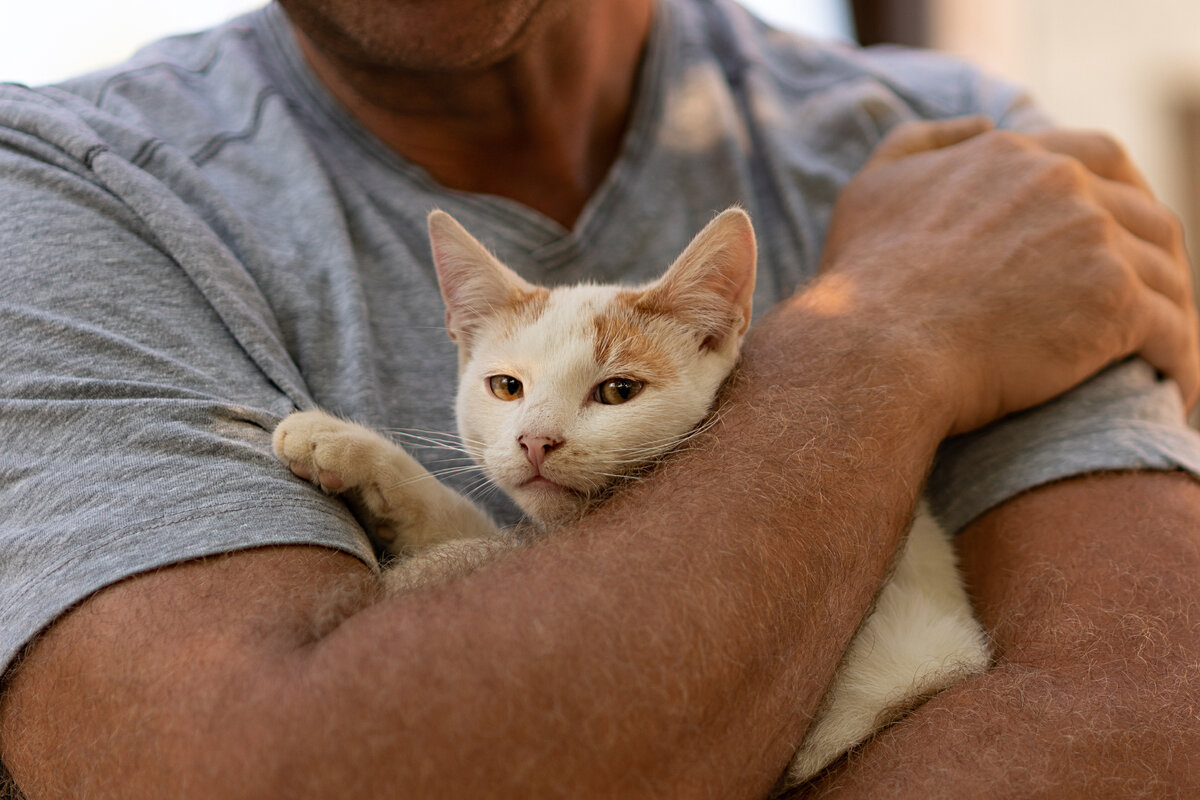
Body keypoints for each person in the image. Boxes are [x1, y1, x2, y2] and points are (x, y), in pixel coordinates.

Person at [1, 0, 1198, 796]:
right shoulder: (55, 186)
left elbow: (1151, 734)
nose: (532, 431)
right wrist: (887, 330)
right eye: (506, 384)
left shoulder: (964, 152)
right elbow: (271, 773)